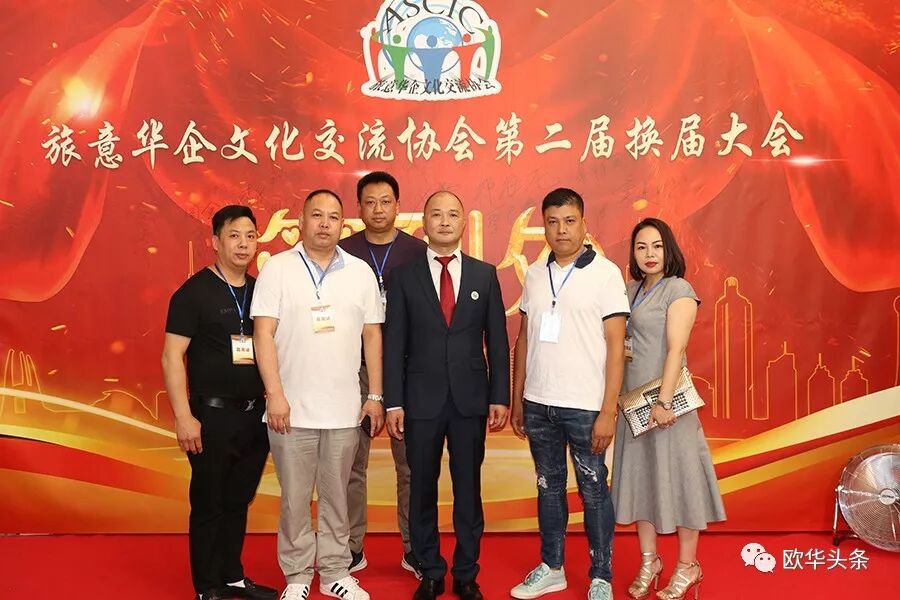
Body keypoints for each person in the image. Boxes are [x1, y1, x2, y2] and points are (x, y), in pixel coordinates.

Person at [250, 190, 385, 600]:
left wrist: (375, 395)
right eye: (317, 215)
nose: (325, 223)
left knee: (337, 498)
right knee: (294, 500)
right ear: (302, 221)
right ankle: (296, 576)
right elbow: (263, 334)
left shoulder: (360, 272)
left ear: (343, 223)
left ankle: (334, 572)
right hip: (290, 410)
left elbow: (372, 335)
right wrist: (275, 394)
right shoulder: (277, 269)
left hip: (344, 410)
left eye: (333, 217)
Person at [383, 191, 510, 600]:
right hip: (420, 401)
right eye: (436, 214)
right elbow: (393, 344)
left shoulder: (484, 274)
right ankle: (431, 571)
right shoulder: (403, 276)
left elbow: (497, 340)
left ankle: (467, 573)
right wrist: (394, 401)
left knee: (468, 490)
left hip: (470, 401)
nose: (444, 221)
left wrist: (500, 396)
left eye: (452, 214)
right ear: (424, 221)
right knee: (422, 488)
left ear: (463, 222)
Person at [509, 188, 629, 600]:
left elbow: (616, 346)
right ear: (544, 227)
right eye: (553, 222)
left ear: (584, 224)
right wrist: (518, 397)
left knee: (593, 490)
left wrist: (608, 410)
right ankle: (552, 567)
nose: (561, 230)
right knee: (548, 486)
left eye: (569, 221)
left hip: (586, 406)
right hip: (539, 403)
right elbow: (524, 338)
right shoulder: (534, 274)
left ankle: (601, 576)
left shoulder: (606, 274)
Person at [162, 205, 277, 600]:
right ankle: (207, 585)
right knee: (209, 501)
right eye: (233, 236)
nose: (243, 244)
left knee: (238, 499)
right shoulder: (193, 293)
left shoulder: (262, 291)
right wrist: (183, 416)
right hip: (210, 417)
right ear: (215, 241)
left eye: (250, 236)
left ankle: (231, 575)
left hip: (254, 416)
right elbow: (171, 357)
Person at [612, 218, 726, 600]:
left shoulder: (679, 289)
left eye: (657, 246)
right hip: (633, 405)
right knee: (641, 482)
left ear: (669, 250)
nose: (649, 254)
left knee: (682, 482)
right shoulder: (629, 290)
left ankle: (687, 566)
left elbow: (676, 349)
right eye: (641, 247)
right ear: (633, 253)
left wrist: (663, 402)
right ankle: (650, 561)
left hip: (667, 407)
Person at [339, 171, 427, 577]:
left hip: (407, 372)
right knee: (351, 464)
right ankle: (351, 546)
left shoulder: (418, 251)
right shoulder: (342, 252)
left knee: (411, 466)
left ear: (398, 206)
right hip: (353, 369)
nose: (378, 209)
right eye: (370, 202)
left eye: (385, 201)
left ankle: (414, 547)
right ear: (359, 208)